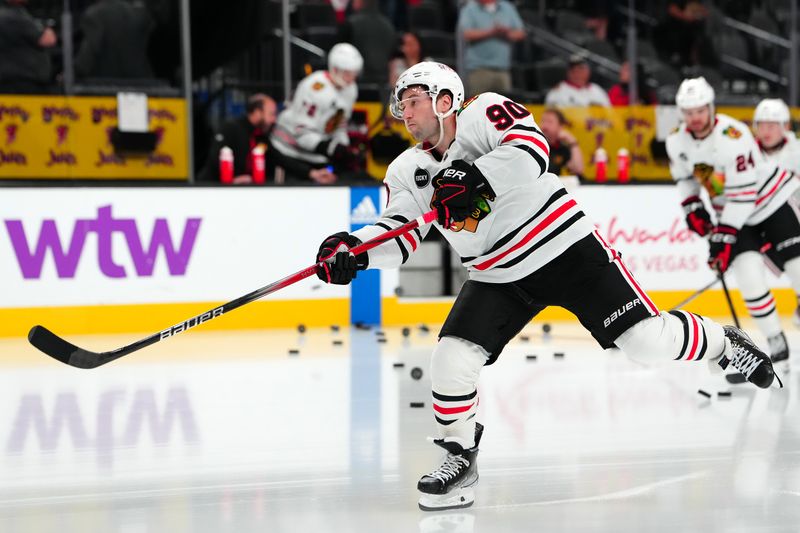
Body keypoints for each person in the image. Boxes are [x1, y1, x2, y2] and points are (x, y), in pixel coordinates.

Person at [313, 62, 779, 512]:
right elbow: (401, 232)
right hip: (496, 274)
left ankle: (723, 343)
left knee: (644, 342)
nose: (406, 114)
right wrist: (358, 251)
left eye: (414, 102)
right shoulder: (406, 170)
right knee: (451, 358)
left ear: (445, 100)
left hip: (565, 247)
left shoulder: (483, 111)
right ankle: (459, 456)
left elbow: (533, 147)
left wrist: (477, 177)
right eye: (404, 106)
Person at [666, 77, 800, 379]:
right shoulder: (677, 140)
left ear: (711, 107)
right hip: (732, 214)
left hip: (770, 201)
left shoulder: (733, 134)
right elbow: (685, 178)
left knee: (798, 269)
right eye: (688, 112)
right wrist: (693, 207)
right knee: (750, 279)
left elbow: (743, 193)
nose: (695, 118)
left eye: (700, 110)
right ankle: (776, 345)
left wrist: (723, 237)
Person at [270, 43, 362, 185]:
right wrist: (330, 148)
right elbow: (301, 131)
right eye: (348, 73)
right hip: (289, 153)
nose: (352, 78)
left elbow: (339, 124)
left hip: (317, 156)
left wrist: (344, 148)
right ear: (335, 69)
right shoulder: (314, 87)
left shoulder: (350, 90)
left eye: (354, 73)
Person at [198, 94, 278, 184]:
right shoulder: (230, 128)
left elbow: (279, 159)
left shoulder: (261, 137)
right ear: (257, 112)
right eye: (272, 114)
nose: (274, 119)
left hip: (245, 190)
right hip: (212, 188)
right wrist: (233, 180)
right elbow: (215, 160)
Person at [74, 0, 154, 80]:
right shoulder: (140, 13)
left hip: (105, 84)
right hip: (140, 83)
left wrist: (72, 75)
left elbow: (86, 58)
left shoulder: (95, 15)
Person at [459, 0, 525, 96]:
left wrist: (506, 32)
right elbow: (467, 34)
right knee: (477, 107)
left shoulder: (507, 7)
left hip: (503, 69)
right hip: (479, 70)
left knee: (504, 107)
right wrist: (491, 32)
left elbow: (520, 33)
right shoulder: (470, 8)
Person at [0, 0, 56, 93]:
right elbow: (47, 40)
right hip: (19, 81)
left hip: (17, 79)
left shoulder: (17, 13)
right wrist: (48, 28)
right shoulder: (12, 16)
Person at [340, 0, 396, 87]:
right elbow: (392, 60)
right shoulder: (389, 25)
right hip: (383, 86)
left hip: (356, 85)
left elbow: (340, 53)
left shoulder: (350, 24)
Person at [753, 98, 800, 174]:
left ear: (786, 126)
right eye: (761, 126)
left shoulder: (797, 152)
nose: (765, 131)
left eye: (770, 126)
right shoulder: (747, 153)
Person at [544, 54, 611, 108]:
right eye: (573, 69)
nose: (577, 73)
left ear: (588, 71)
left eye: (581, 69)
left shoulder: (597, 90)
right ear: (568, 72)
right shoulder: (558, 92)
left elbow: (610, 116)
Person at [538, 107, 584, 176]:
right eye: (543, 121)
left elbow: (578, 170)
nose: (545, 126)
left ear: (560, 126)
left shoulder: (562, 148)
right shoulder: (535, 144)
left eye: (550, 122)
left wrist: (572, 142)